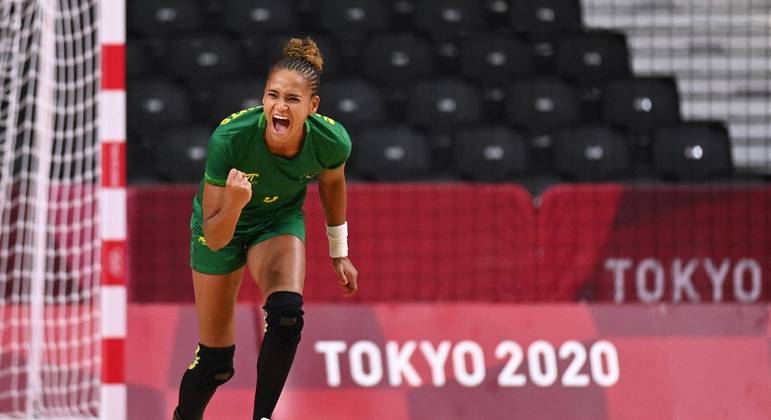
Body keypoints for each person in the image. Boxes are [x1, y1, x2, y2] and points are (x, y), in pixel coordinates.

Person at [173, 37, 359, 420]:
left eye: (292, 99)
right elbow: (216, 234)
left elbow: (332, 185)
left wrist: (339, 251)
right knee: (216, 365)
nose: (279, 106)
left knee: (287, 314)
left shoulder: (331, 141)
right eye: (272, 96)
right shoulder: (231, 139)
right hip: (220, 225)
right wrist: (236, 204)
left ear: (313, 106)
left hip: (277, 222)